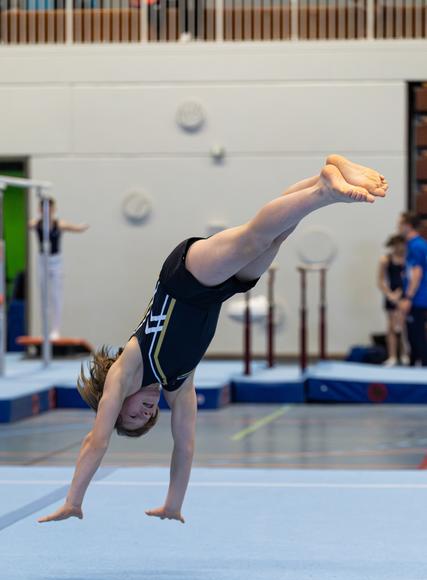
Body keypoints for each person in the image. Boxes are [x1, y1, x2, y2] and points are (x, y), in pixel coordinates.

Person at [37, 154, 387, 525]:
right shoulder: (180, 385)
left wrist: (74, 499)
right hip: (215, 294)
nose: (148, 410)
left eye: (136, 413)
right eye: (150, 416)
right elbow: (184, 445)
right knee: (274, 238)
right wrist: (173, 503)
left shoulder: (127, 368)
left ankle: (326, 192)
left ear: (119, 403)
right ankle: (325, 177)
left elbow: (97, 441)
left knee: (254, 239)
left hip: (184, 278)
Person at [28, 198, 89, 339]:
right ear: (39, 210)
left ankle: (55, 330)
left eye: (49, 208)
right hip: (42, 261)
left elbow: (76, 228)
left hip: (56, 261)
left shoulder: (59, 224)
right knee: (44, 297)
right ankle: (45, 329)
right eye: (43, 208)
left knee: (56, 296)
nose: (46, 211)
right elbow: (28, 224)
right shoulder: (35, 223)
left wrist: (82, 227)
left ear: (53, 209)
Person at [398, 211, 427, 366]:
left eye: (400, 224)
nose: (398, 227)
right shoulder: (415, 244)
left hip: (418, 297)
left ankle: (421, 371)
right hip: (417, 296)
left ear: (408, 226)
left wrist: (408, 298)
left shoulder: (416, 245)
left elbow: (417, 273)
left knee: (416, 337)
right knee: (413, 336)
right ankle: (414, 367)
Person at [377, 234, 409, 366]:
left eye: (401, 246)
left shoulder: (409, 259)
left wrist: (402, 293)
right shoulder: (385, 259)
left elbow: (411, 279)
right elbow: (380, 281)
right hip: (391, 295)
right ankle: (392, 356)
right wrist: (389, 294)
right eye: (396, 246)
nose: (399, 249)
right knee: (391, 327)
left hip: (405, 294)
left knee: (404, 326)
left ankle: (405, 354)